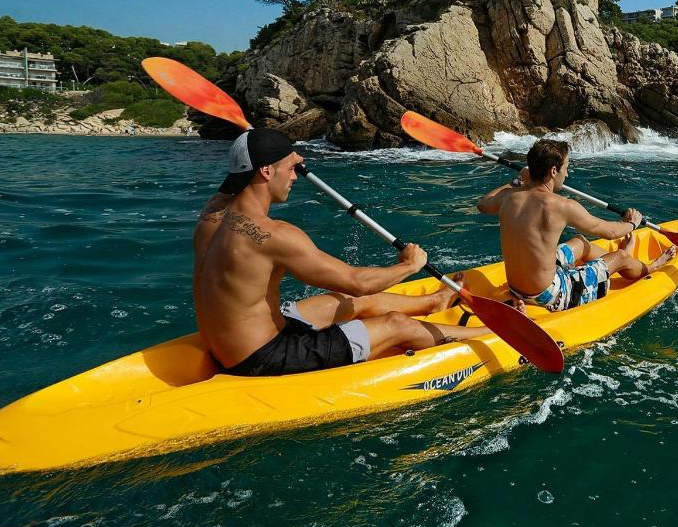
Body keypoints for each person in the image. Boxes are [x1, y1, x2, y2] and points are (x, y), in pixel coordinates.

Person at [193, 128, 488, 376]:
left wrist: (267, 146)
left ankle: (435, 301)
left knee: (346, 302)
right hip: (262, 357)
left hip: (234, 342)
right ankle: (491, 336)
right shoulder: (275, 235)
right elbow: (357, 282)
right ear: (266, 171)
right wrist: (409, 265)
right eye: (292, 168)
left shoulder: (212, 215)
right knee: (395, 324)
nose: (296, 176)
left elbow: (240, 174)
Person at [476, 138, 676, 312]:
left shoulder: (509, 197)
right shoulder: (562, 206)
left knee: (580, 242)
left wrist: (516, 181)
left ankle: (613, 262)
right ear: (553, 171)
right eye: (566, 168)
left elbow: (483, 204)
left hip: (515, 288)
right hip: (548, 295)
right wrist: (632, 223)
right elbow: (610, 232)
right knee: (621, 256)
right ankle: (649, 267)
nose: (568, 174)